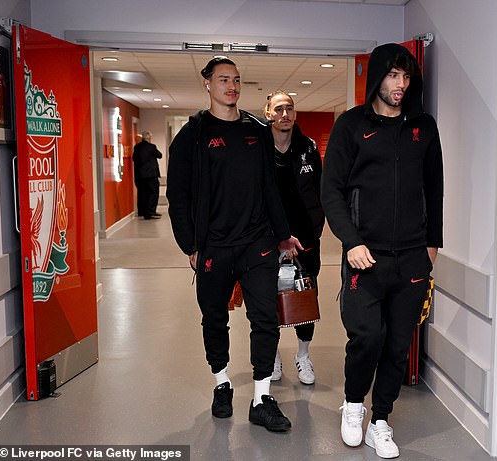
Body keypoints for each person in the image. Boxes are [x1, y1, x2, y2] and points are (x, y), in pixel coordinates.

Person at [321, 43, 443, 458]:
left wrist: (432, 246)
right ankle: (353, 405)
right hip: (364, 257)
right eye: (393, 75)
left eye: (406, 77)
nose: (401, 84)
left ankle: (380, 421)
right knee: (367, 337)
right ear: (378, 77)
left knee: (397, 345)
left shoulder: (423, 128)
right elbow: (331, 191)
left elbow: (435, 189)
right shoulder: (352, 126)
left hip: (412, 256)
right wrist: (351, 241)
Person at [166, 57, 301, 433]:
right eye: (224, 79)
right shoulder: (192, 136)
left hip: (257, 243)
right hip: (214, 247)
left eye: (237, 80)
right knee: (215, 318)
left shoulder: (257, 131)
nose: (232, 86)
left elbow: (269, 188)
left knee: (264, 318)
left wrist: (282, 233)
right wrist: (190, 246)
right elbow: (178, 197)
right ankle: (222, 382)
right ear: (207, 83)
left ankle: (261, 397)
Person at [263, 90, 324, 385]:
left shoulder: (308, 148)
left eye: (289, 108)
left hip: (306, 240)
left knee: (306, 297)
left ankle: (302, 356)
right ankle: (273, 355)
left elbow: (321, 192)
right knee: (266, 298)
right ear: (268, 113)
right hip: (267, 239)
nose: (284, 114)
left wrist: (315, 228)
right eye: (278, 109)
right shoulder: (258, 148)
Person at [132, 130, 162, 219]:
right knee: (153, 193)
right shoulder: (152, 147)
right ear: (149, 138)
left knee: (142, 193)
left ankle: (142, 211)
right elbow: (160, 155)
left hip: (140, 176)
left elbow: (134, 158)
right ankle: (150, 212)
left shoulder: (137, 147)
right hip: (151, 175)